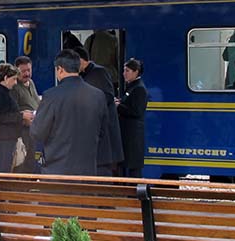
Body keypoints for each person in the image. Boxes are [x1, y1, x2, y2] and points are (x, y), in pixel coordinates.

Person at [30, 49, 107, 176]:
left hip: (57, 172)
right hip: (88, 172)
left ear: (60, 69)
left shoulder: (51, 96)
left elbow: (37, 133)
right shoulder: (98, 95)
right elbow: (102, 131)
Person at [74, 46, 124, 176]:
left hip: (104, 130)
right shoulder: (84, 75)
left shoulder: (99, 72)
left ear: (81, 60)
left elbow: (107, 96)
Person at [0, 64, 24, 173]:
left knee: (5, 166)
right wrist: (22, 116)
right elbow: (3, 117)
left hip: (6, 137)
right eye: (13, 79)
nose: (15, 83)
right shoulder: (0, 94)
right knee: (3, 168)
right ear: (5, 78)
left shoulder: (3, 92)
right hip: (4, 137)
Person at [116, 58, 148, 178]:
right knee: (128, 165)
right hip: (128, 134)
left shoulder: (139, 88)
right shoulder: (132, 86)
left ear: (136, 72)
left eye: (127, 70)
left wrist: (118, 106)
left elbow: (136, 111)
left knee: (134, 167)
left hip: (133, 135)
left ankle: (135, 193)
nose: (124, 73)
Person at [10, 56, 40, 173]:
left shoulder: (31, 83)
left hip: (33, 129)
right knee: (23, 161)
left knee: (31, 158)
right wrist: (23, 116)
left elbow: (36, 101)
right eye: (23, 71)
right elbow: (12, 112)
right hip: (22, 131)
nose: (27, 73)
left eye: (29, 70)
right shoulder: (14, 87)